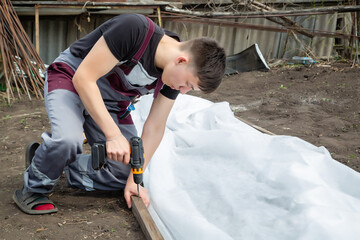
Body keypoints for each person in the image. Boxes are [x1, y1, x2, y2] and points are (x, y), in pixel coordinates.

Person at [13, 13, 226, 215]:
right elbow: (84, 78)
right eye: (188, 84)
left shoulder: (172, 77)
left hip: (111, 103)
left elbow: (155, 126)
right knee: (68, 140)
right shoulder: (134, 30)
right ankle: (34, 188)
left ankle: (48, 160)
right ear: (181, 60)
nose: (183, 91)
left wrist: (136, 179)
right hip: (72, 80)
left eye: (190, 89)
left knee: (127, 172)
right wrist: (113, 136)